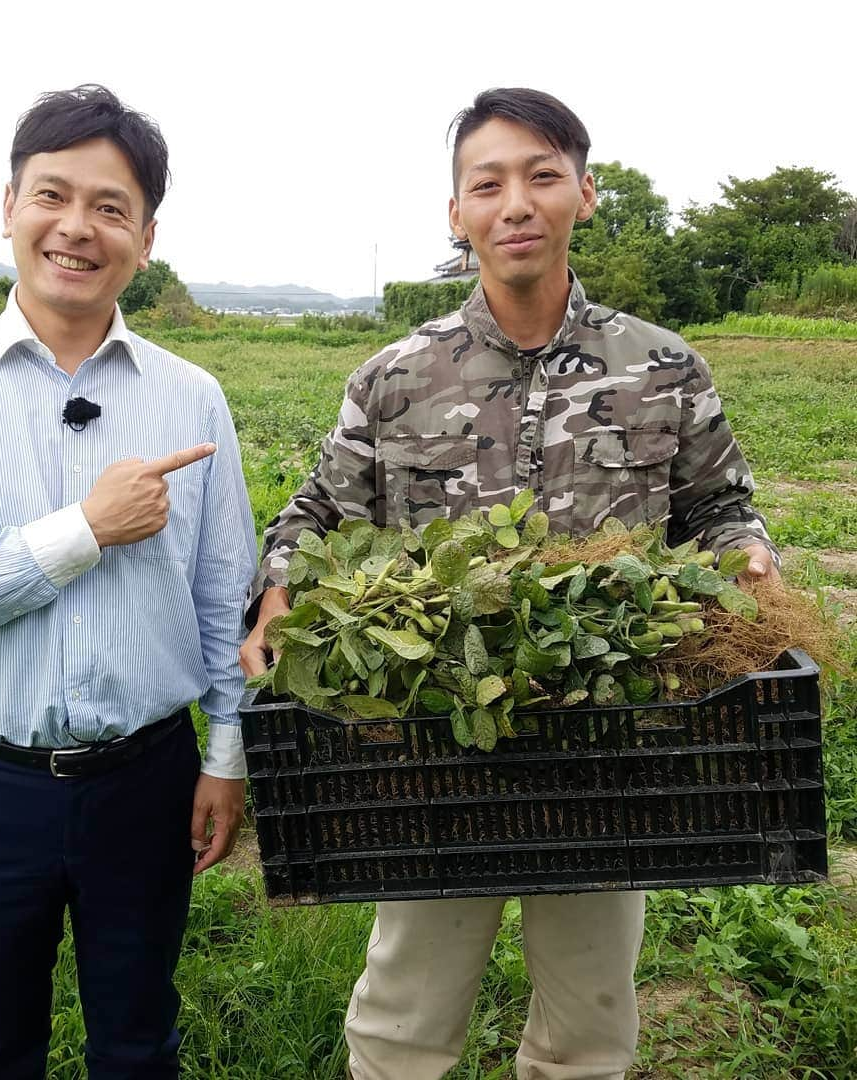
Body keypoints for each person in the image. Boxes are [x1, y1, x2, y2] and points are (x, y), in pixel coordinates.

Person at [241, 87, 781, 1080]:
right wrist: (279, 589)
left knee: (590, 1028)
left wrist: (747, 557)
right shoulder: (398, 377)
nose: (515, 203)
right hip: (438, 740)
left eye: (541, 176)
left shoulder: (662, 367)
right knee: (403, 1021)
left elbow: (720, 507)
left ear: (584, 191)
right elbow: (313, 515)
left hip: (611, 741)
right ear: (458, 215)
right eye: (486, 184)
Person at [0, 85, 256, 1079]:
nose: (77, 228)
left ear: (148, 234)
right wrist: (83, 531)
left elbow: (226, 594)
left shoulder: (190, 395)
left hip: (148, 780)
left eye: (111, 207)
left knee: (139, 1039)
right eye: (53, 196)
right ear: (9, 207)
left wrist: (224, 757)